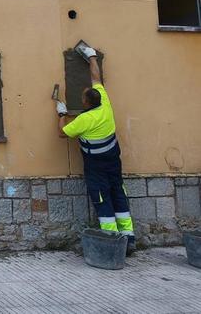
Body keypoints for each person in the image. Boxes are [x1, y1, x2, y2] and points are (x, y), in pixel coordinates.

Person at [56, 45, 135, 254]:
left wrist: (61, 114)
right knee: (118, 192)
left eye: (83, 97)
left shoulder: (84, 120)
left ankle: (112, 239)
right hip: (113, 159)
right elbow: (96, 79)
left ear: (86, 102)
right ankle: (129, 237)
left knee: (102, 197)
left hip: (96, 165)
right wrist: (92, 57)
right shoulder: (105, 104)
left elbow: (62, 133)